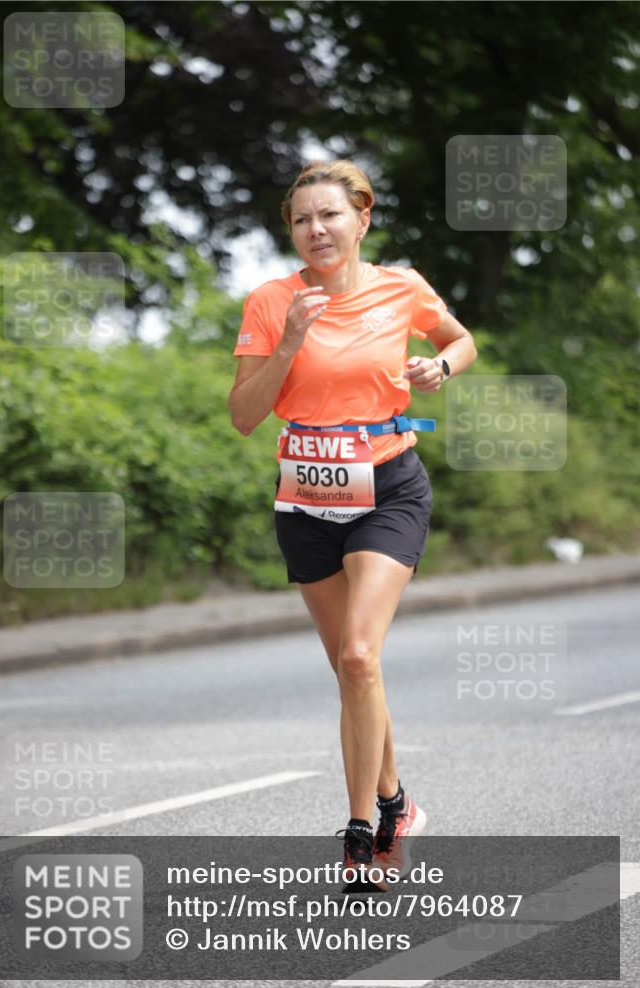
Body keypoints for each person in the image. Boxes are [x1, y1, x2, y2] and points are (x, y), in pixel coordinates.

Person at [228, 159, 477, 891]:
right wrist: (288, 342)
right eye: (301, 220)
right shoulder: (271, 302)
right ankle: (399, 802)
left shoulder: (402, 287)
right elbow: (245, 416)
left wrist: (442, 368)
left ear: (361, 219)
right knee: (348, 665)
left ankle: (361, 829)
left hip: (388, 487)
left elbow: (461, 340)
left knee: (361, 656)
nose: (315, 230)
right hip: (305, 498)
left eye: (329, 215)